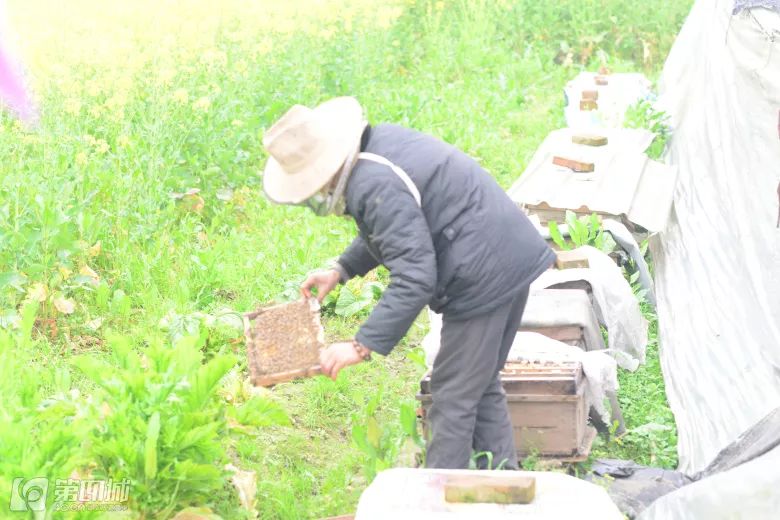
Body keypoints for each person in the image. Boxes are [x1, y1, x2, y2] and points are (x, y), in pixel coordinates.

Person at [262, 97, 555, 470]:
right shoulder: (377, 151)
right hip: (505, 253)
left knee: (451, 399)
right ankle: (503, 485)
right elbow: (398, 229)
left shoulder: (371, 182)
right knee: (477, 383)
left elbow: (415, 275)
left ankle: (437, 497)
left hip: (483, 274)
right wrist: (342, 268)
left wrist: (360, 344)